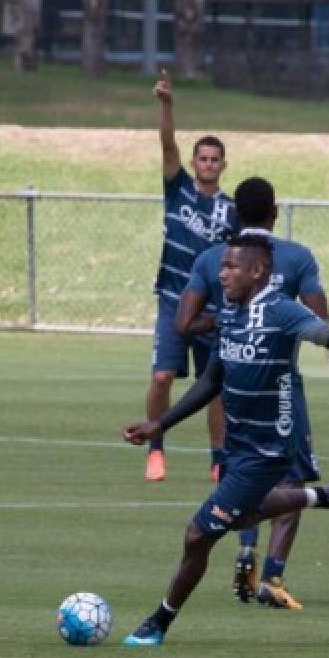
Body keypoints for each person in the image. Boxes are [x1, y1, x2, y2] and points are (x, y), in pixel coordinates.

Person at [121, 234, 329, 646]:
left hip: (269, 448)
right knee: (243, 518)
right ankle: (327, 497)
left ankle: (157, 623)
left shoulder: (281, 310)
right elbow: (212, 379)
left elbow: (322, 330)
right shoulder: (229, 313)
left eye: (231, 266)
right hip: (238, 444)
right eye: (222, 266)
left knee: (199, 534)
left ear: (257, 271)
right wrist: (160, 425)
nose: (223, 273)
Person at [176, 176, 329, 610]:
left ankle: (245, 548)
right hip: (280, 388)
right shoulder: (297, 257)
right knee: (291, 477)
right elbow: (318, 315)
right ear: (275, 211)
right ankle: (274, 576)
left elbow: (184, 324)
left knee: (241, 475)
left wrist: (225, 324)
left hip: (232, 386)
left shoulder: (213, 259)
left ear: (233, 212)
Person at [144, 68, 239, 483]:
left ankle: (218, 459)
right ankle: (155, 448)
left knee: (212, 385)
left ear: (223, 165)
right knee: (163, 376)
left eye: (214, 159)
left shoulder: (231, 210)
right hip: (172, 297)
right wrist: (167, 105)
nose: (207, 164)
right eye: (202, 158)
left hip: (211, 307)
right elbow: (167, 144)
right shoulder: (177, 187)